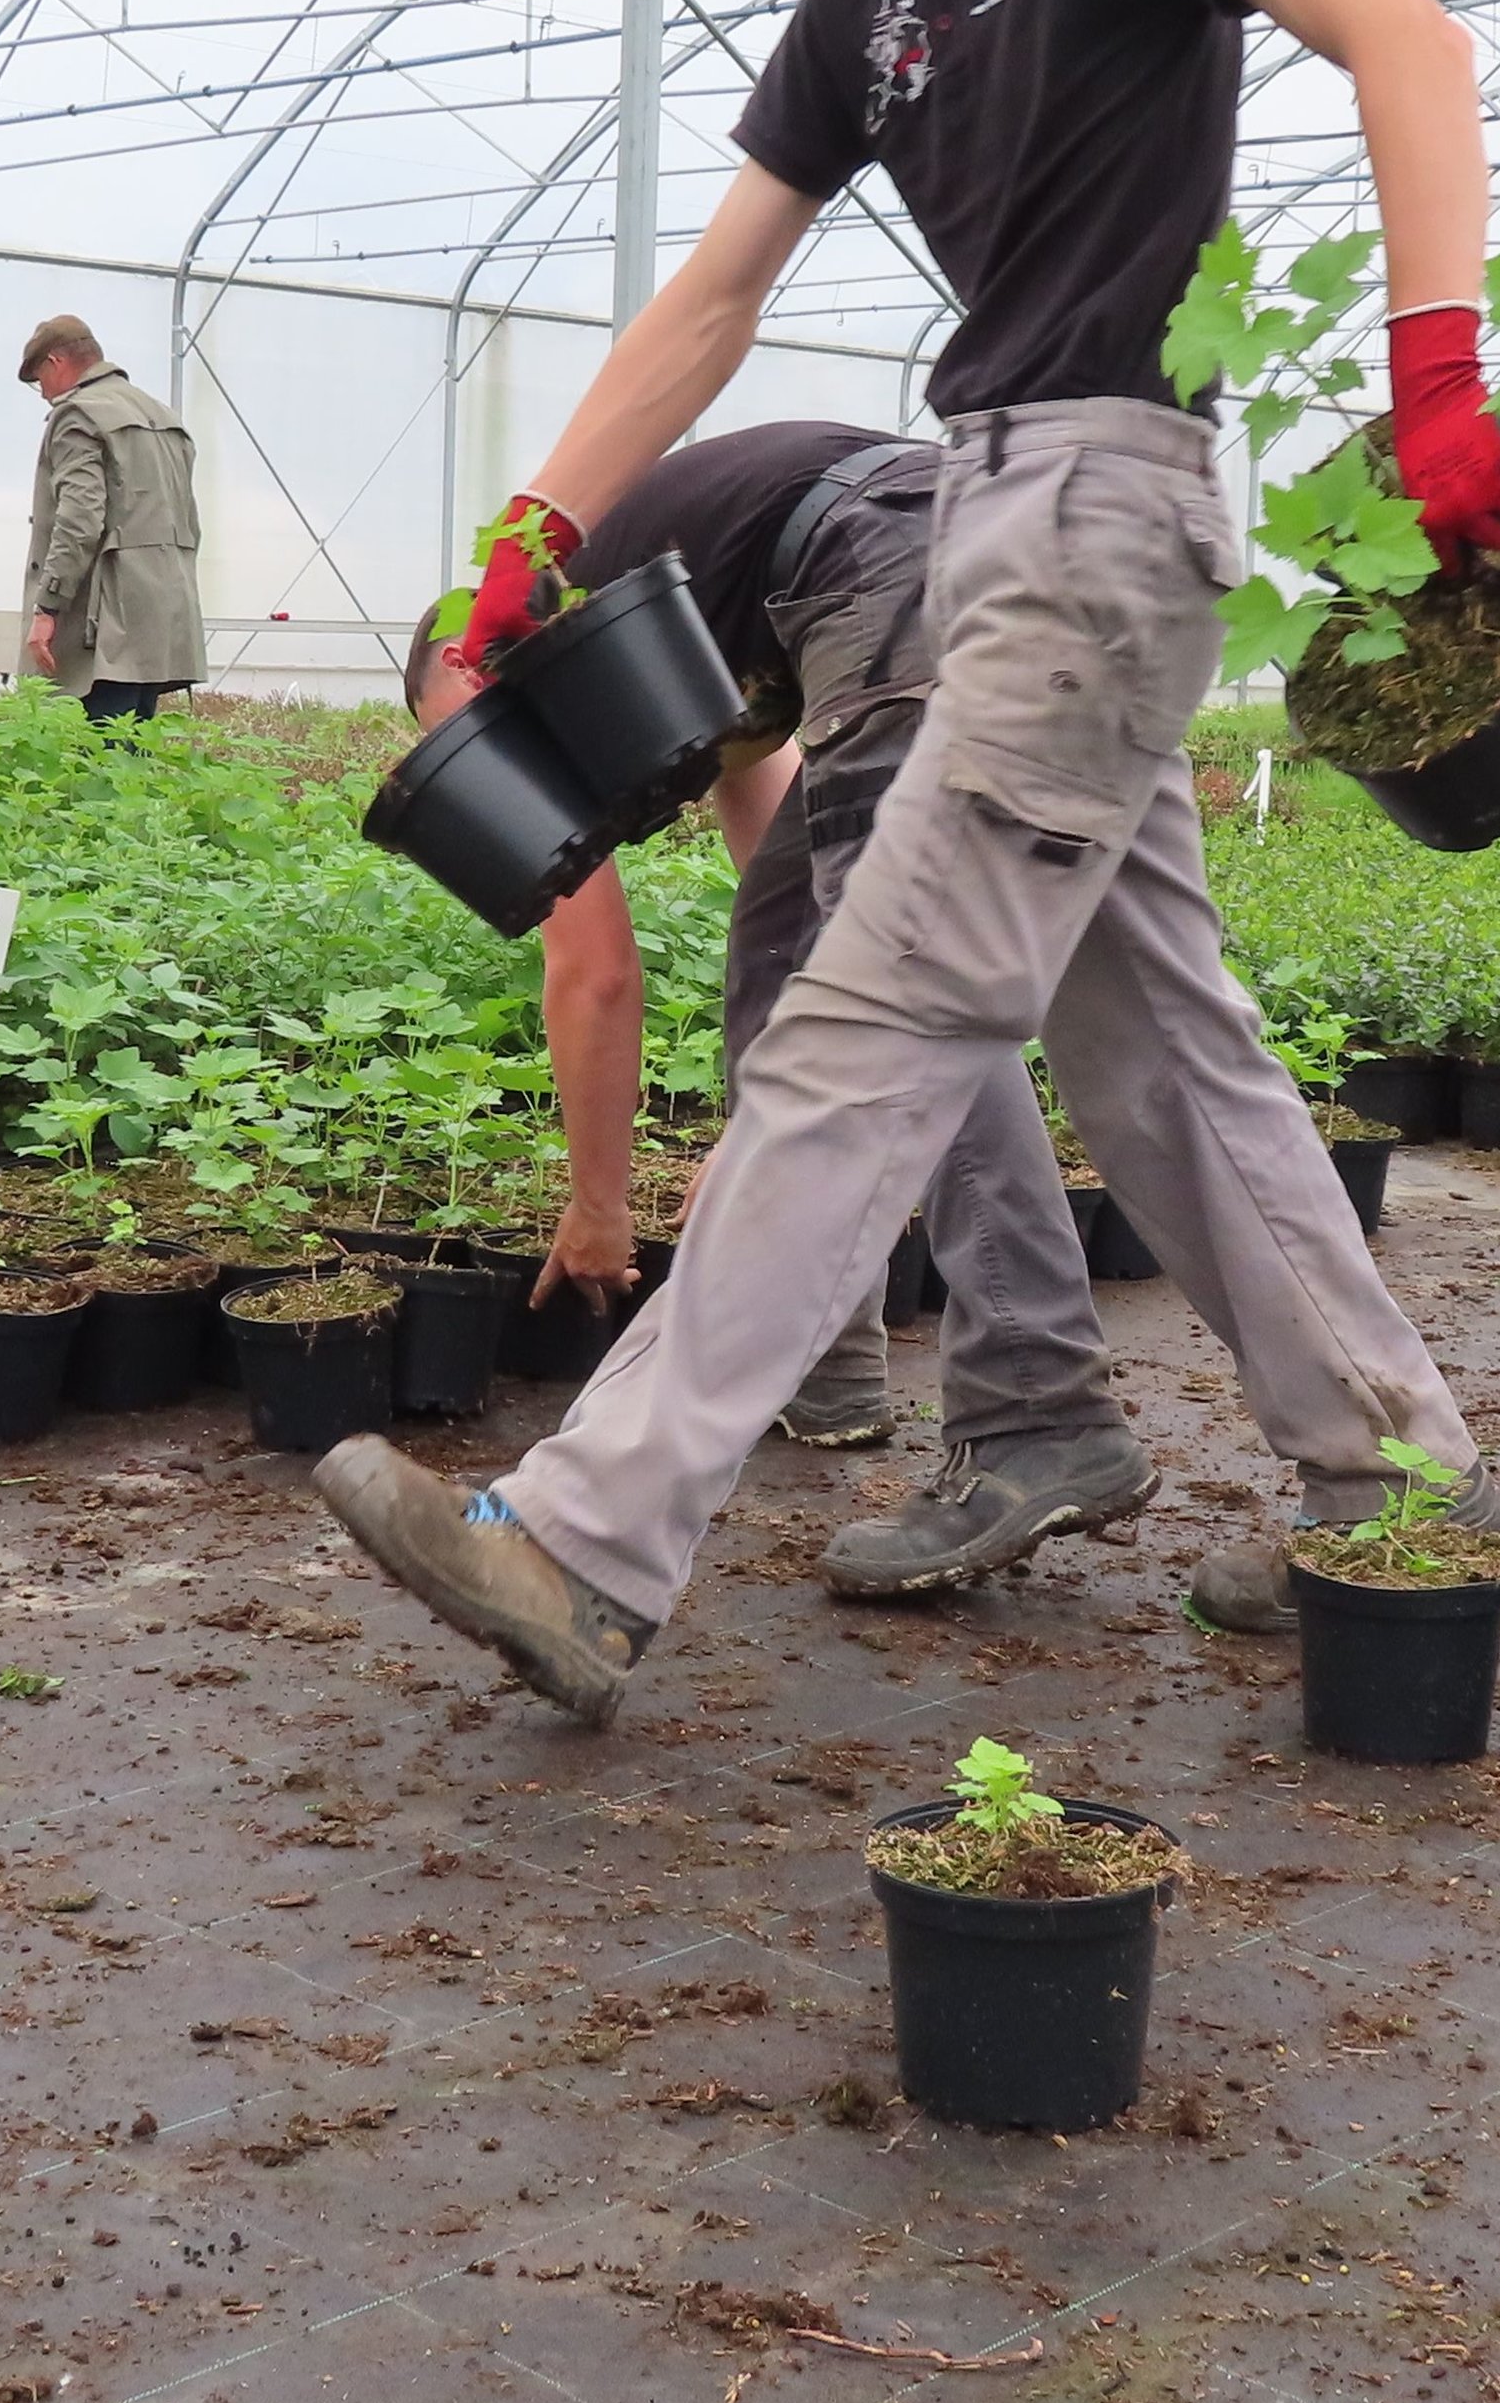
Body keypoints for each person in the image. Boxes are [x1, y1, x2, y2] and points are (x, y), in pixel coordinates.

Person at [314, 0, 1500, 1722]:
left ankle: (581, 1540)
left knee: (861, 1032)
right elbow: (715, 296)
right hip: (983, 515)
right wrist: (530, 541)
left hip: (1107, 507)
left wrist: (1442, 376)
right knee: (1159, 1039)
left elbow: (1405, 42)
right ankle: (1399, 1490)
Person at [401, 415, 1154, 1593]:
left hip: (894, 561)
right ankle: (833, 1366)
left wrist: (600, 1208)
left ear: (468, 676)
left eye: (452, 745)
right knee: (787, 954)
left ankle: (1032, 1400)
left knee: (912, 1000)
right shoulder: (676, 621)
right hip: (1016, 544)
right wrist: (769, 1112)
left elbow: (592, 972)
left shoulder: (544, 654)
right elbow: (783, 888)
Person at [15, 315, 201, 724]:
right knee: (132, 763)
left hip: (105, 631)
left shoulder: (79, 416)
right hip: (165, 619)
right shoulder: (163, 417)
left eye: (38, 379)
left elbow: (79, 519)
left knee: (94, 762)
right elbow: (189, 520)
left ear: (55, 361)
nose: (43, 394)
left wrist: (47, 608)